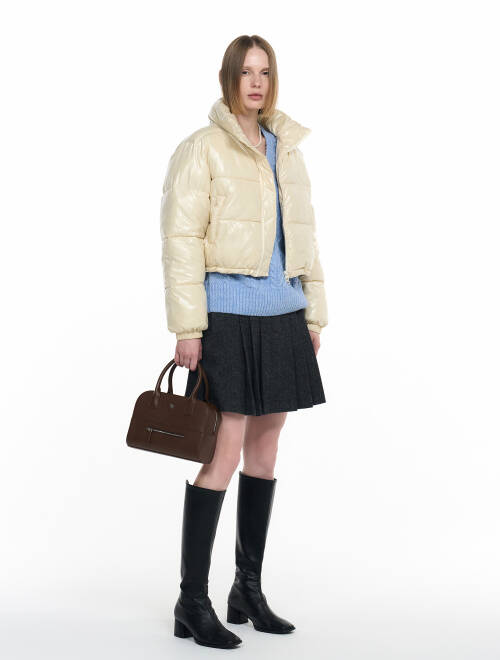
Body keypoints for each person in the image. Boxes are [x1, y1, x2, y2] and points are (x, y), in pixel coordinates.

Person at [160, 34, 328, 649]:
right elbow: (180, 239)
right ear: (229, 78)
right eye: (246, 72)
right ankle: (191, 600)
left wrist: (314, 313)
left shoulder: (287, 149)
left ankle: (246, 591)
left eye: (265, 72)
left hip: (284, 314)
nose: (256, 83)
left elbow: (305, 236)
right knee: (222, 453)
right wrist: (188, 327)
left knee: (266, 450)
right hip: (227, 316)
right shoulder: (201, 148)